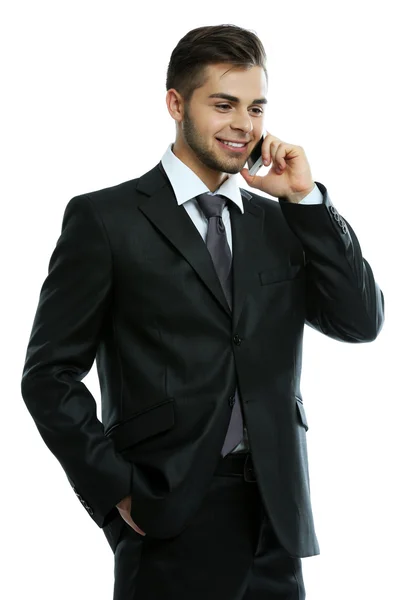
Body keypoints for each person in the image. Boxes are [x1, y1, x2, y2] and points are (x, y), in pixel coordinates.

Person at [20, 23, 385, 600]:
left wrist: (307, 202)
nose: (244, 124)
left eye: (256, 107)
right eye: (224, 105)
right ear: (175, 103)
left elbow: (360, 321)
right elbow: (48, 375)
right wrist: (116, 489)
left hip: (276, 515)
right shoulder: (106, 220)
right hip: (166, 511)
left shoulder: (279, 223)